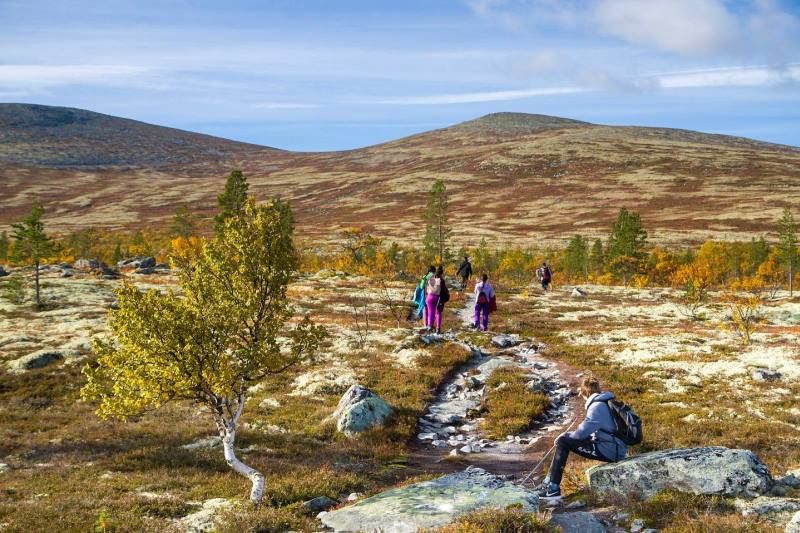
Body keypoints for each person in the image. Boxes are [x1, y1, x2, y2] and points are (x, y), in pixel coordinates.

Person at [537, 376, 627, 500]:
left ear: (584, 393)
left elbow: (581, 434)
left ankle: (553, 489)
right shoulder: (605, 401)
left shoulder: (596, 407)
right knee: (565, 439)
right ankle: (549, 482)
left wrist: (565, 436)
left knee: (563, 442)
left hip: (610, 451)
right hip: (615, 447)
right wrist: (569, 435)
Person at [425, 266, 445, 334]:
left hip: (429, 297)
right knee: (438, 313)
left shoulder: (429, 279)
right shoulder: (440, 280)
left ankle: (430, 326)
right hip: (437, 297)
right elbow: (442, 290)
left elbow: (426, 289)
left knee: (430, 312)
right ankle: (438, 328)